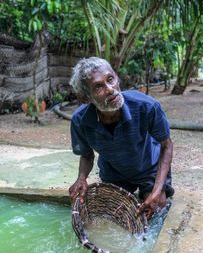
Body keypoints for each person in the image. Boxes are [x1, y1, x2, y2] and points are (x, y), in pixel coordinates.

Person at [69, 57, 174, 219]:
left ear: (117, 77)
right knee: (112, 216)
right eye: (98, 87)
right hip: (114, 173)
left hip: (149, 168)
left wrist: (156, 190)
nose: (110, 89)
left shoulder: (147, 106)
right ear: (86, 98)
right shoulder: (80, 120)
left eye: (110, 79)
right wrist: (81, 178)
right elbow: (87, 155)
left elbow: (166, 146)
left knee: (157, 207)